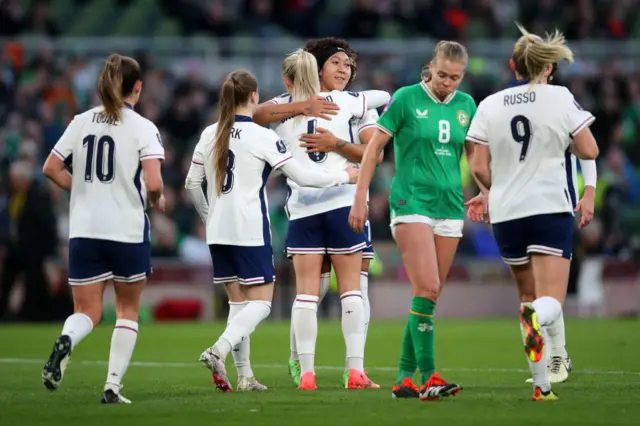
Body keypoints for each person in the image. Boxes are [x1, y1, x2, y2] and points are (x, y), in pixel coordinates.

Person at [185, 69, 358, 393]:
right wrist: (344, 177)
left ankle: (245, 376)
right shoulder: (263, 137)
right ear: (253, 97)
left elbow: (192, 183)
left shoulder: (209, 133)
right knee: (261, 304)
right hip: (249, 228)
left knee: (238, 306)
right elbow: (304, 177)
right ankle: (218, 349)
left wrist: (210, 215)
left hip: (218, 230)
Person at [467, 24, 599, 401]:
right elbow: (588, 150)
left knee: (527, 296)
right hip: (548, 207)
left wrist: (491, 188)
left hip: (506, 213)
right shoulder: (559, 97)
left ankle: (544, 382)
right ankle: (544, 336)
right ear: (548, 68)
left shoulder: (489, 104)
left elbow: (477, 165)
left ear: (513, 66)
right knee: (548, 303)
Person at [349, 40, 478, 401]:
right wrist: (361, 194)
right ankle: (429, 375)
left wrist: (484, 188)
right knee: (429, 288)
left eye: (455, 78)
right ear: (430, 67)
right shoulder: (406, 98)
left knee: (427, 295)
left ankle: (404, 377)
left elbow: (475, 155)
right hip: (411, 203)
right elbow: (374, 146)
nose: (447, 83)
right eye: (441, 75)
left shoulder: (467, 106)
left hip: (450, 207)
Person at [255, 37, 385, 389]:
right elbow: (375, 150)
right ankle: (348, 368)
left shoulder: (288, 105)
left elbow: (257, 114)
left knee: (314, 292)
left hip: (307, 208)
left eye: (348, 65)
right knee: (350, 289)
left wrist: (335, 143)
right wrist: (306, 108)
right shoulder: (354, 104)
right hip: (345, 202)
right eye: (336, 64)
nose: (344, 70)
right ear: (317, 67)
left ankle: (311, 368)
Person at [40, 53, 165, 404]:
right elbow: (153, 181)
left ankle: (67, 339)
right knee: (127, 310)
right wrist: (157, 198)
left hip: (84, 229)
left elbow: (50, 167)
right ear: (137, 88)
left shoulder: (81, 121)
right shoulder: (142, 126)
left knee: (86, 312)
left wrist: (80, 187)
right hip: (126, 229)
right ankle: (111, 386)